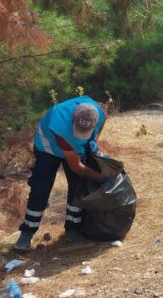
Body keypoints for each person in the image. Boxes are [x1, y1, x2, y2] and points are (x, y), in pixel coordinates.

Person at [14, 95, 108, 250]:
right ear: (73, 121)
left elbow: (103, 119)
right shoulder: (61, 124)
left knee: (79, 185)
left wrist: (94, 139)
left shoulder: (99, 113)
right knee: (41, 187)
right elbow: (76, 166)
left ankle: (73, 229)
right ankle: (28, 232)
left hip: (72, 145)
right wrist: (102, 178)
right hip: (48, 147)